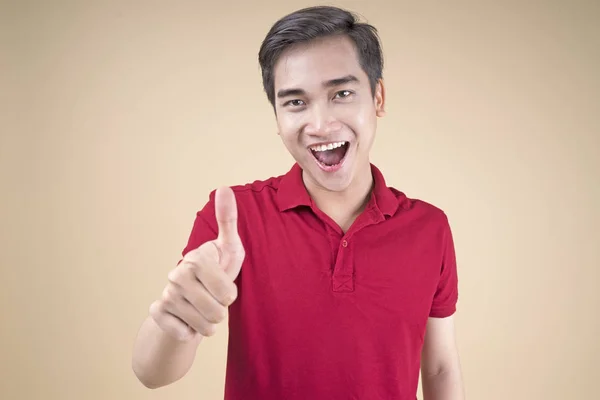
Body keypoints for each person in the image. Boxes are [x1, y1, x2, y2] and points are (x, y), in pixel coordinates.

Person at [132, 5, 465, 400]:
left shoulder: (429, 228)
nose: (320, 124)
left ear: (377, 97)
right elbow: (152, 373)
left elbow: (440, 366)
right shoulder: (235, 217)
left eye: (341, 93)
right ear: (276, 116)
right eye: (295, 102)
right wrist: (174, 317)